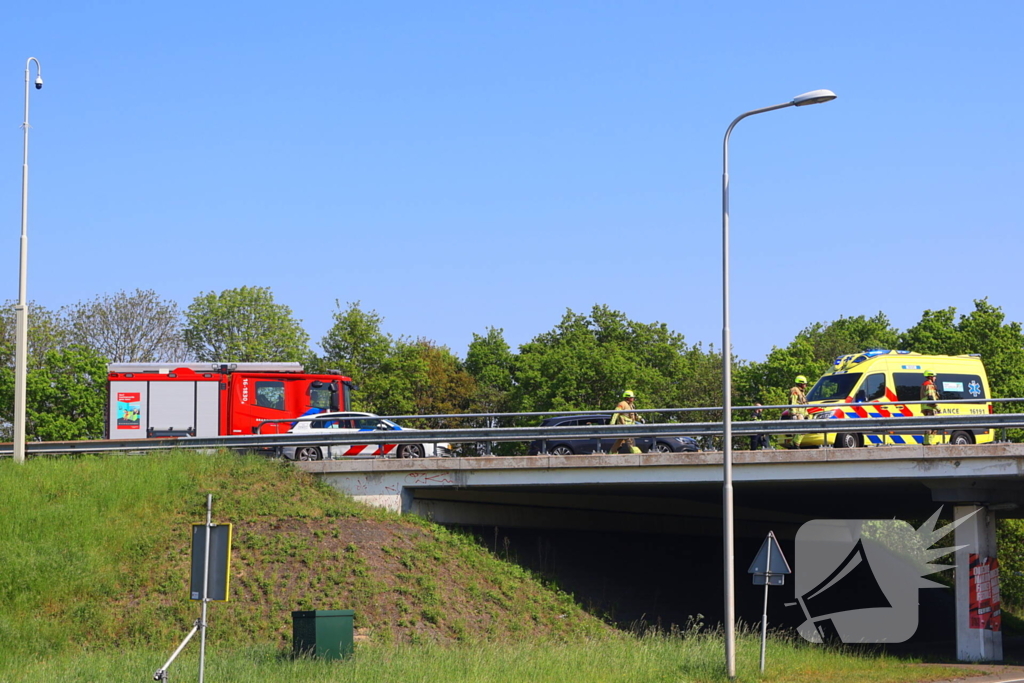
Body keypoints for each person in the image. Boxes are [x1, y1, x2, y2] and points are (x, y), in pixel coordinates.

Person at [610, 390, 643, 454]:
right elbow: (615, 414)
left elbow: (635, 415)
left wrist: (640, 419)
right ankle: (638, 454)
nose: (633, 399)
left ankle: (612, 453)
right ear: (628, 397)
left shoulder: (632, 405)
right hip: (624, 426)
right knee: (631, 442)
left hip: (630, 427)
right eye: (632, 397)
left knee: (619, 442)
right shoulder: (622, 404)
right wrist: (612, 424)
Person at [784, 375, 810, 449]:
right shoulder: (795, 390)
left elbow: (803, 404)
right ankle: (795, 444)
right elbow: (793, 402)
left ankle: (793, 444)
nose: (806, 385)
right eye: (804, 384)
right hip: (797, 414)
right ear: (800, 384)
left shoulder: (801, 392)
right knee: (803, 429)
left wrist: (806, 414)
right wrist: (794, 413)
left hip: (801, 414)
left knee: (801, 431)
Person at [921, 370, 941, 446]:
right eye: (934, 376)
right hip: (930, 407)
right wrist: (937, 407)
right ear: (930, 377)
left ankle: (926, 442)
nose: (935, 378)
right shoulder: (930, 385)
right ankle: (929, 443)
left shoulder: (924, 384)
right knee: (934, 426)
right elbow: (931, 397)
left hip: (926, 407)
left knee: (928, 426)